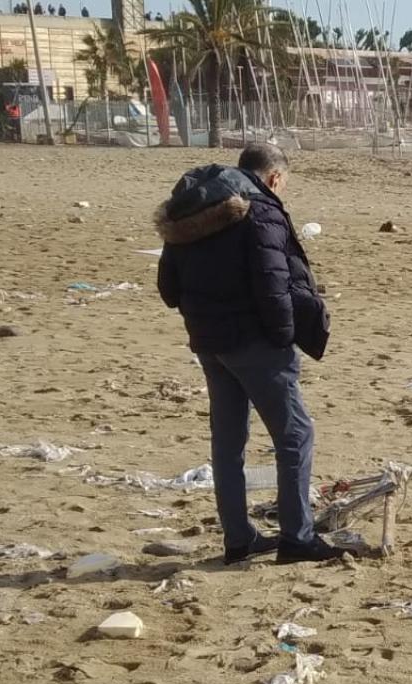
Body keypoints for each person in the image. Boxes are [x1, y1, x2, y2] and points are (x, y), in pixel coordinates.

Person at [155, 144, 349, 565]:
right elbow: (272, 282)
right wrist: (284, 339)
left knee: (228, 441)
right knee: (295, 436)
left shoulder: (193, 204)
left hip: (208, 339)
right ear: (274, 177)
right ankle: (297, 538)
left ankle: (238, 538)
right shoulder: (261, 210)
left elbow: (168, 288)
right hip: (254, 342)